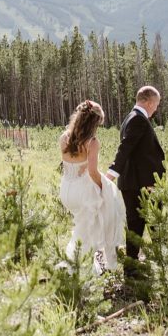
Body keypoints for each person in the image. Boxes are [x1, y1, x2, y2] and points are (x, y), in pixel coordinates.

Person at [59, 99, 126, 271]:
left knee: (82, 227)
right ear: (94, 123)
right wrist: (104, 187)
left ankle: (78, 263)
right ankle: (81, 268)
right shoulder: (92, 142)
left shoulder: (64, 137)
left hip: (66, 190)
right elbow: (92, 172)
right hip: (82, 193)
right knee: (97, 219)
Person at [106, 85, 164, 275]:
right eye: (156, 104)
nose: (156, 108)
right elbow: (125, 148)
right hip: (143, 183)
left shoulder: (130, 118)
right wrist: (111, 173)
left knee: (136, 224)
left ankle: (134, 265)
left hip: (135, 181)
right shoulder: (138, 119)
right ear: (149, 102)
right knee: (151, 222)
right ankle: (156, 263)